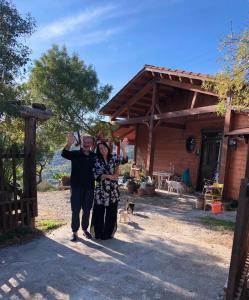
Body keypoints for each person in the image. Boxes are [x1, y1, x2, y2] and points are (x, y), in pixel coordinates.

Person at [90, 139, 128, 240]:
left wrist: (123, 149)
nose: (103, 150)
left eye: (104, 147)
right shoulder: (95, 159)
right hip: (100, 190)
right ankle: (98, 233)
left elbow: (124, 160)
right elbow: (95, 175)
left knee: (111, 212)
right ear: (98, 150)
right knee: (98, 212)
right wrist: (110, 176)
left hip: (113, 190)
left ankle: (108, 233)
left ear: (107, 148)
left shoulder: (114, 157)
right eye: (100, 148)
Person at [61, 132, 96, 241]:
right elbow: (64, 153)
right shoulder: (75, 154)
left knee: (87, 210)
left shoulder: (94, 156)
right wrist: (69, 143)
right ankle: (74, 232)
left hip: (89, 187)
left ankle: (85, 230)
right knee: (75, 210)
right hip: (76, 187)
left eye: (89, 142)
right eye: (85, 142)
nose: (86, 144)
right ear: (82, 142)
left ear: (92, 144)